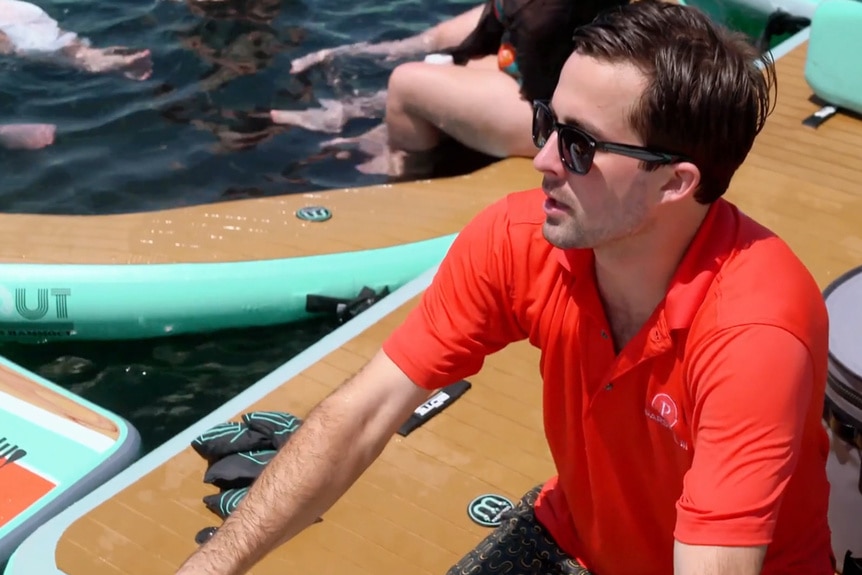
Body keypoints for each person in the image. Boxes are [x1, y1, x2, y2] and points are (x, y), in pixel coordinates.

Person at [175, 1, 836, 574]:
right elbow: (366, 411)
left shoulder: (753, 333)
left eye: (579, 145)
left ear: (675, 183)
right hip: (573, 535)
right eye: (548, 123)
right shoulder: (518, 238)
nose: (544, 158)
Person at [269, 0, 629, 177]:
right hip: (541, 67)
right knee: (441, 59)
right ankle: (356, 111)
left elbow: (544, 82)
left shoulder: (546, 11)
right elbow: (487, 32)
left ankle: (400, 168)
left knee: (407, 84)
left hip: (560, 112)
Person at [0, 0, 152, 80]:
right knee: (61, 40)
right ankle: (100, 56)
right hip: (15, 8)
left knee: (35, 49)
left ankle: (111, 63)